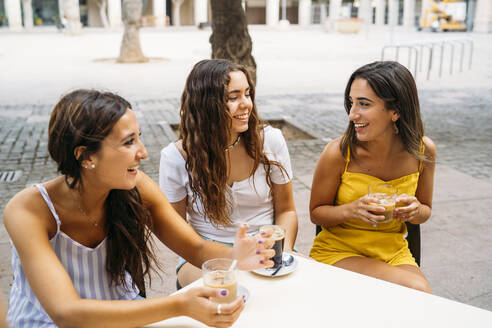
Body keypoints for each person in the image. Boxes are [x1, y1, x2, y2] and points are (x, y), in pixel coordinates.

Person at [3, 89, 276, 328]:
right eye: (128, 142)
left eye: (139, 138)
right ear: (85, 157)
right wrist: (180, 304)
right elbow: (67, 313)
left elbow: (196, 248)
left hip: (126, 315)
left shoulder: (135, 188)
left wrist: (236, 255)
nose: (143, 152)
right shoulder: (28, 210)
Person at [159, 59, 298, 288]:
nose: (245, 104)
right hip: (204, 254)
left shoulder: (270, 141)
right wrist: (233, 256)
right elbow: (177, 233)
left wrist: (284, 252)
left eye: (247, 94)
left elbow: (287, 211)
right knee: (228, 292)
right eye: (232, 98)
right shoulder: (176, 157)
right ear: (206, 104)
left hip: (266, 245)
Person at [309, 61, 436, 293]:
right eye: (351, 103)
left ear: (395, 111)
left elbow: (425, 210)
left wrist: (416, 210)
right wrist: (351, 210)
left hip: (393, 252)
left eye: (364, 104)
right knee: (416, 289)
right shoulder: (338, 153)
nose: (352, 114)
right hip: (339, 251)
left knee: (420, 296)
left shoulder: (423, 151)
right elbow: (316, 214)